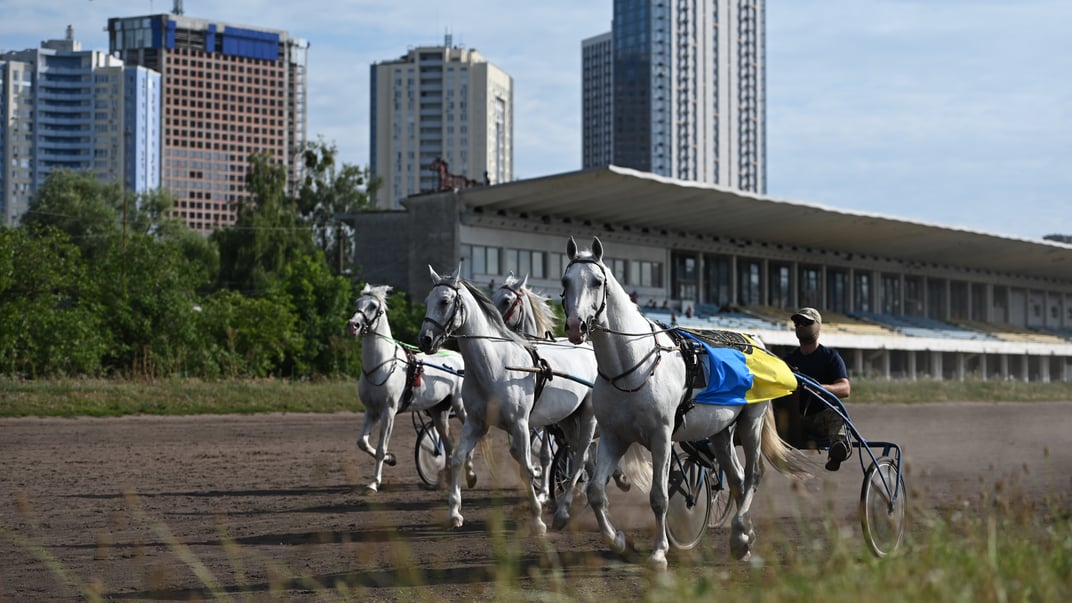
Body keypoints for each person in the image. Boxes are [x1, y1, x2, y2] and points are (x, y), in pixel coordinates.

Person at [778, 307, 853, 471]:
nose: (800, 325)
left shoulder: (830, 357)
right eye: (797, 322)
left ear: (817, 326)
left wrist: (821, 388)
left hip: (820, 419)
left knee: (837, 412)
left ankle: (838, 449)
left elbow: (845, 388)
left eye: (806, 322)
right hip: (794, 420)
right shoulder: (788, 361)